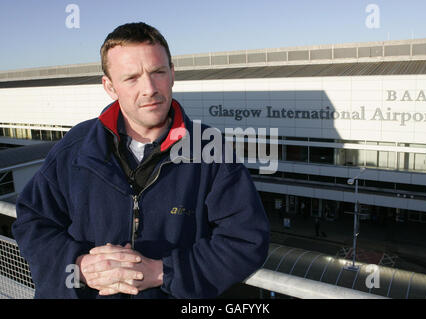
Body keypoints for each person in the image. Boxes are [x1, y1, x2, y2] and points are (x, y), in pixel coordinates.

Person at [12, 22, 270, 299]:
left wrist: (163, 273)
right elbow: (32, 222)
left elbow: (246, 241)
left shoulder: (211, 150)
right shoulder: (75, 148)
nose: (149, 88)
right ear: (110, 87)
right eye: (131, 78)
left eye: (158, 72)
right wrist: (78, 266)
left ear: (172, 74)